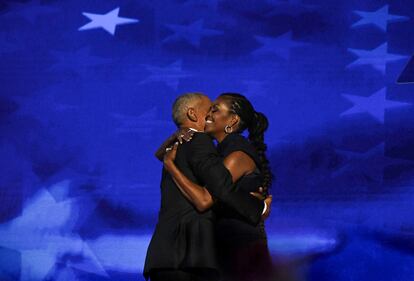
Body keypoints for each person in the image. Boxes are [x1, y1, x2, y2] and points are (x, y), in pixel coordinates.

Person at [143, 93, 272, 281]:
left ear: (233, 120)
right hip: (222, 243)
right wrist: (176, 135)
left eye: (216, 109)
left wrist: (260, 207)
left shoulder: (236, 152)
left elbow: (207, 198)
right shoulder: (216, 151)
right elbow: (160, 154)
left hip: (240, 244)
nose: (210, 114)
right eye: (210, 108)